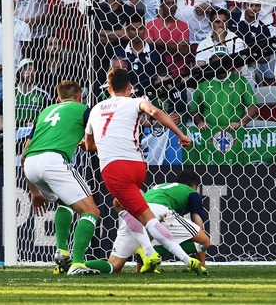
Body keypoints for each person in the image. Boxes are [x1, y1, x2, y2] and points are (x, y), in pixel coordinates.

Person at [84, 67, 207, 275]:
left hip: (115, 168)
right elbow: (155, 112)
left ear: (108, 89)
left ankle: (158, 254)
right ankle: (145, 251)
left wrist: (101, 143)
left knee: (146, 218)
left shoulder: (96, 109)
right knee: (122, 206)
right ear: (130, 87)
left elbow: (89, 146)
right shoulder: (135, 102)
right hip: (138, 166)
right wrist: (179, 133)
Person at [21, 80, 100, 275]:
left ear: (58, 98)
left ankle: (62, 253)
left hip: (31, 164)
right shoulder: (84, 109)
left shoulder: (45, 112)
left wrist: (34, 191)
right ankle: (78, 263)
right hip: (53, 161)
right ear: (80, 97)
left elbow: (24, 154)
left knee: (66, 202)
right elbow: (96, 141)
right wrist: (87, 145)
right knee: (91, 212)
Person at [85, 170, 211, 274]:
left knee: (114, 266)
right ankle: (152, 252)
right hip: (160, 211)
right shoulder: (191, 192)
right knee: (204, 241)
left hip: (136, 214)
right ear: (195, 186)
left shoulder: (160, 187)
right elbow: (198, 221)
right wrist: (202, 262)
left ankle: (76, 264)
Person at [190, 51, 258, 141]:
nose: (220, 66)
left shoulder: (240, 81)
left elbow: (253, 106)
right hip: (208, 133)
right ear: (210, 64)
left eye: (223, 62)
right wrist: (200, 122)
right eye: (216, 63)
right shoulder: (203, 83)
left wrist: (240, 123)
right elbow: (194, 110)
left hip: (235, 133)